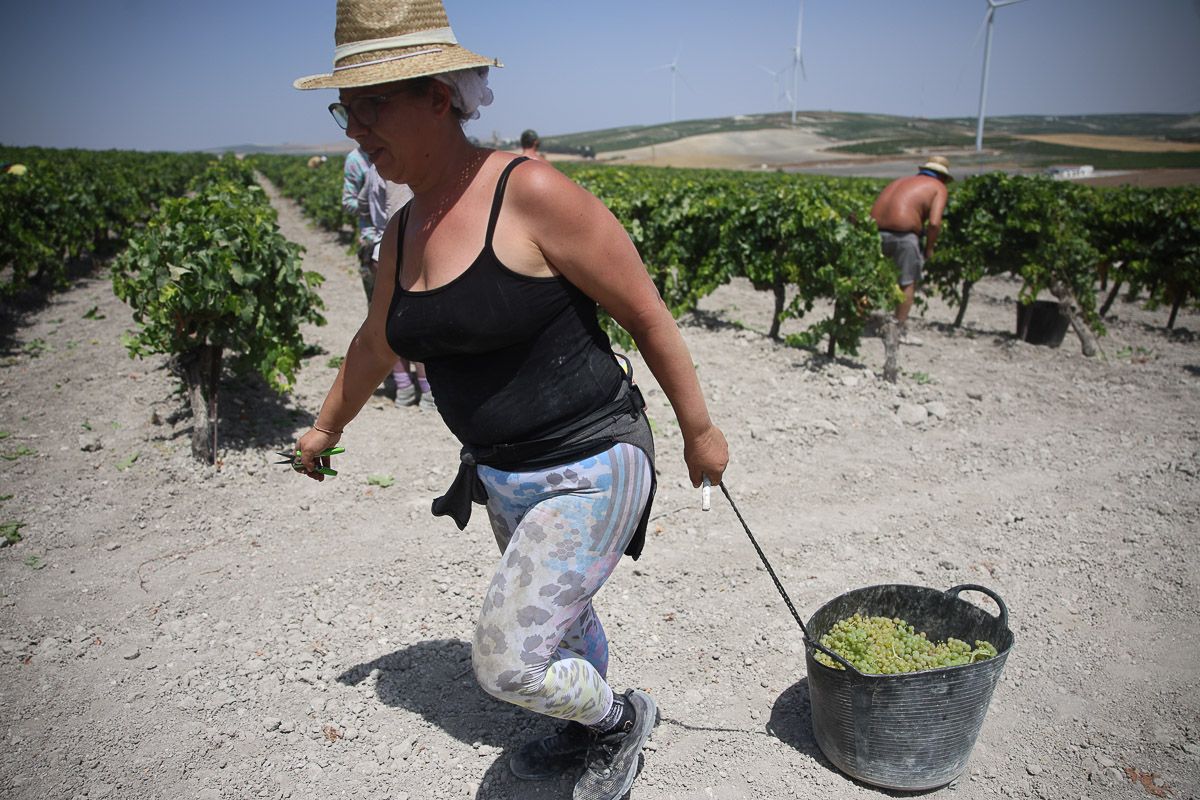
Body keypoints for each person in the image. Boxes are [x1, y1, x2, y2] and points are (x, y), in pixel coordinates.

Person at [292, 2, 728, 799]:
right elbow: (372, 346)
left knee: (507, 660)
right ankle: (578, 723)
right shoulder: (401, 231)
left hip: (594, 462)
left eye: (372, 105)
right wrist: (325, 428)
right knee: (560, 619)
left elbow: (645, 311)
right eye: (345, 109)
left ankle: (619, 719)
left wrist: (699, 429)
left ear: (439, 96)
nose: (355, 129)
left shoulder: (530, 192)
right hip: (503, 475)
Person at [355, 163, 433, 409]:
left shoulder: (372, 170)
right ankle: (426, 391)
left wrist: (370, 234)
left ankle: (403, 388)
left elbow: (361, 205)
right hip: (402, 252)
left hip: (379, 251)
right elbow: (399, 215)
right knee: (417, 321)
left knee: (388, 321)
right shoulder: (400, 170)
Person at [869, 155, 952, 343]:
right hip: (904, 236)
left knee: (866, 278)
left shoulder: (901, 181)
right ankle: (898, 330)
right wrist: (929, 249)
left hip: (874, 233)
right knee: (907, 282)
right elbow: (934, 223)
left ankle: (853, 321)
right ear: (944, 177)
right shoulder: (938, 187)